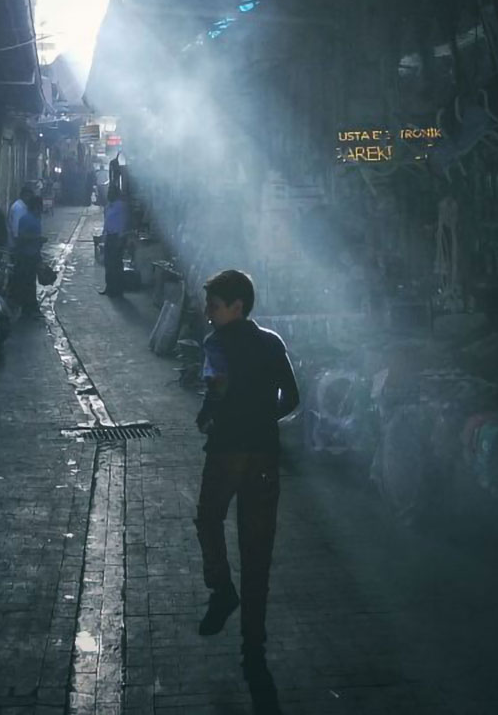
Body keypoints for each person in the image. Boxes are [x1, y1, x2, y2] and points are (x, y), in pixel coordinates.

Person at [194, 269, 299, 710]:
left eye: (214, 306)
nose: (209, 314)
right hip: (264, 458)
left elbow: (216, 389)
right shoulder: (273, 342)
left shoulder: (216, 345)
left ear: (236, 306)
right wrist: (262, 417)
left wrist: (209, 412)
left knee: (208, 518)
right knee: (258, 554)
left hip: (226, 454)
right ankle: (252, 648)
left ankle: (221, 588)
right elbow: (291, 398)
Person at [12, 194, 44, 316]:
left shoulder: (35, 218)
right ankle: (29, 307)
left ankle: (30, 306)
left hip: (34, 253)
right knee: (28, 282)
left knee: (31, 281)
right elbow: (22, 236)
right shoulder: (26, 219)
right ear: (36, 207)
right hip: (27, 255)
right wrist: (38, 238)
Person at [99, 184, 128, 296]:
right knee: (108, 263)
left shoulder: (121, 206)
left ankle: (118, 289)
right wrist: (104, 234)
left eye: (110, 192)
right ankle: (109, 287)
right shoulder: (108, 206)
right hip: (110, 236)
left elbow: (123, 222)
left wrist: (121, 238)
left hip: (118, 237)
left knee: (116, 264)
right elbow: (107, 222)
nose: (108, 194)